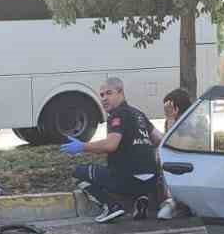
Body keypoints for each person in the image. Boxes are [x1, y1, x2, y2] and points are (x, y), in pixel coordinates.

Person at [62, 77, 160, 222]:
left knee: (78, 173)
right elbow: (159, 139)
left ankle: (111, 206)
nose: (104, 99)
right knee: (125, 169)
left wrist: (82, 146)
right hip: (151, 181)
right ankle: (140, 199)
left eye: (109, 93)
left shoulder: (117, 114)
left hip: (128, 181)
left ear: (120, 92)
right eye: (101, 95)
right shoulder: (138, 114)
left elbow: (111, 145)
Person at [147, 87, 193, 220]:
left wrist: (171, 120)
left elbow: (172, 145)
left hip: (187, 165)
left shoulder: (193, 121)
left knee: (165, 161)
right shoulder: (170, 121)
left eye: (168, 108)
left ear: (176, 109)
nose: (165, 112)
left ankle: (173, 202)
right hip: (176, 163)